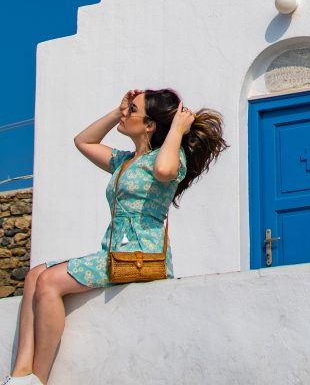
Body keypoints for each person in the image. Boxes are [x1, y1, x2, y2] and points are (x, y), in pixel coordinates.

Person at [4, 88, 228, 385]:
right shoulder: (124, 161)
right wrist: (116, 111)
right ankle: (20, 376)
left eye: (132, 110)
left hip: (142, 255)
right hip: (114, 253)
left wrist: (176, 129)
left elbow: (163, 170)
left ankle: (39, 379)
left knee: (49, 282)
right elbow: (83, 141)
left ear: (150, 125)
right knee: (34, 276)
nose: (126, 114)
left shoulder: (172, 158)